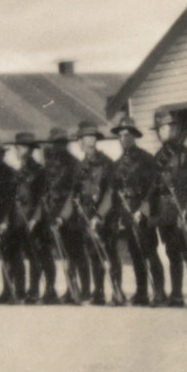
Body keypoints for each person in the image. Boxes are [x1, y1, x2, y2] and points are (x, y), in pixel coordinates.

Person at [150, 109, 187, 307]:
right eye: (159, 129)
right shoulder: (158, 157)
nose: (161, 132)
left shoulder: (184, 155)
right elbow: (153, 187)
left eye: (164, 128)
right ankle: (177, 294)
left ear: (173, 129)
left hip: (182, 211)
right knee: (172, 253)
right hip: (165, 212)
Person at [110, 117, 162, 306]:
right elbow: (116, 193)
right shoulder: (116, 165)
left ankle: (159, 292)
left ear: (134, 136)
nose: (123, 139)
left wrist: (143, 210)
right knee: (135, 254)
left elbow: (153, 188)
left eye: (127, 135)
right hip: (127, 214)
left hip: (143, 214)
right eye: (120, 136)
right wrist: (120, 217)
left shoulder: (147, 159)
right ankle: (142, 292)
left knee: (150, 252)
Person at [68, 121, 117, 305]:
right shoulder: (80, 167)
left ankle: (117, 292)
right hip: (87, 217)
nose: (85, 142)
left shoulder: (106, 164)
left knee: (109, 255)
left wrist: (99, 216)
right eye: (83, 139)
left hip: (104, 218)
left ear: (93, 140)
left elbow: (110, 193)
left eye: (89, 138)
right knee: (94, 256)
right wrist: (61, 217)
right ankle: (99, 292)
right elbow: (73, 196)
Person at [40, 127, 80, 304]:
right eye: (56, 144)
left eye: (61, 143)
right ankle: (50, 289)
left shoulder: (74, 164)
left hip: (68, 216)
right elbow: (46, 190)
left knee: (69, 254)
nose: (58, 147)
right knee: (47, 252)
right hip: (49, 214)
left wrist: (62, 216)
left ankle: (73, 291)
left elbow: (73, 193)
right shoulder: (48, 165)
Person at [12, 132, 50, 304]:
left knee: (34, 256)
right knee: (18, 256)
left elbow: (42, 198)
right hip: (19, 220)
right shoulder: (18, 171)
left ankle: (33, 291)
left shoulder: (39, 172)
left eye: (19, 148)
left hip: (33, 222)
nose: (16, 150)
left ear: (27, 150)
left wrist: (35, 219)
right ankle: (20, 291)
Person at [0, 140, 21, 303]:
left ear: (3, 155)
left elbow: (12, 201)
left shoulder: (11, 174)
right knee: (5, 256)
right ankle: (7, 291)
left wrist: (5, 221)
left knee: (12, 257)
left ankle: (15, 291)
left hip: (10, 221)